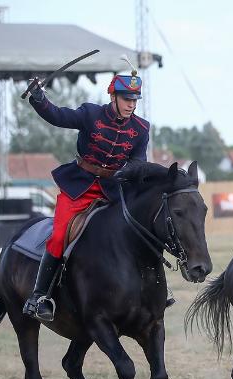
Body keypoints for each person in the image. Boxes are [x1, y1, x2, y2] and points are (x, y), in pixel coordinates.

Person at [22, 68, 149, 321]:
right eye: (127, 99)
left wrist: (129, 172)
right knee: (58, 236)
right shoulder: (90, 114)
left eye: (134, 100)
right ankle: (39, 297)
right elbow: (57, 116)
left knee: (138, 231)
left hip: (113, 191)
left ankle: (151, 291)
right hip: (79, 187)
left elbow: (138, 162)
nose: (131, 105)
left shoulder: (142, 128)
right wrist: (38, 98)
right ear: (113, 96)